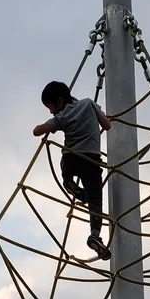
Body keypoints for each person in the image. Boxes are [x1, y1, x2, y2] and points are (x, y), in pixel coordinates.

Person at [33, 81, 112, 261]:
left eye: (50, 106)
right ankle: (95, 235)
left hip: (72, 159)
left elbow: (36, 131)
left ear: (59, 101)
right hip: (92, 161)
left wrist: (47, 126)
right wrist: (102, 118)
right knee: (96, 201)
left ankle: (69, 184)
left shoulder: (62, 117)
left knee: (65, 166)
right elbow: (107, 126)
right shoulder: (89, 103)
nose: (51, 111)